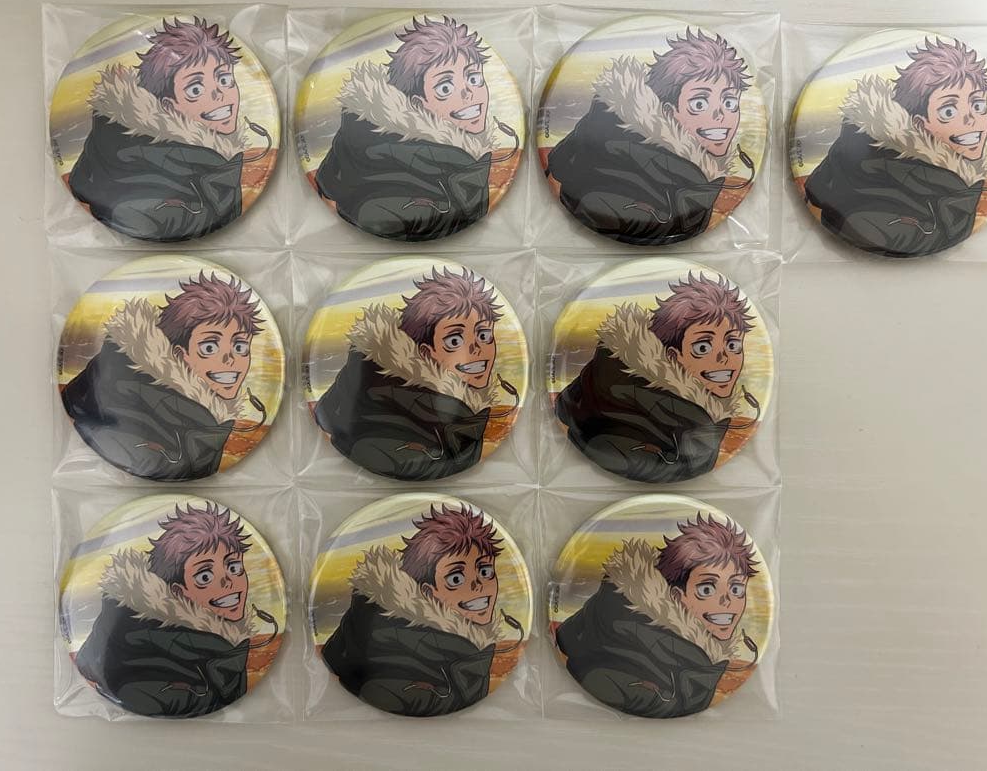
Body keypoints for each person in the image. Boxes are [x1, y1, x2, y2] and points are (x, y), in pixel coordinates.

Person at [804, 36, 987, 257]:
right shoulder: (883, 210)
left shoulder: (954, 180)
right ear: (920, 124)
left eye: (978, 105)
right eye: (948, 111)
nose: (971, 118)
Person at [316, 16, 517, 241]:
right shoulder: (399, 176)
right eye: (445, 87)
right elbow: (376, 215)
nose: (468, 92)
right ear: (418, 104)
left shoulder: (461, 155)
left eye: (474, 78)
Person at [69, 16, 270, 241]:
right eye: (195, 89)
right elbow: (137, 217)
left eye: (224, 79)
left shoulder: (206, 154)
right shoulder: (160, 174)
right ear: (168, 105)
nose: (218, 94)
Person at [546, 29, 753, 245]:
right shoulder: (614, 178)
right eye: (699, 103)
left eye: (730, 102)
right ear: (668, 111)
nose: (720, 114)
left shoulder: (695, 171)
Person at [75, 503, 277, 718]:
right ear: (178, 592)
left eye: (234, 567)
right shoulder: (147, 660)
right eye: (205, 576)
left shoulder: (223, 643)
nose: (228, 581)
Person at [314, 267, 517, 480]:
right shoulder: (387, 420)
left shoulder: (464, 407)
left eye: (484, 335)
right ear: (426, 353)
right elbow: (379, 455)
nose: (476, 348)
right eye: (454, 340)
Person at [555, 272, 759, 482]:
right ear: (673, 355)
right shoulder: (632, 418)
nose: (723, 357)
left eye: (733, 344)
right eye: (703, 347)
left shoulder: (698, 409)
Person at [321, 505, 521, 717]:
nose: (477, 584)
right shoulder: (400, 659)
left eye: (485, 570)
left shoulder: (467, 644)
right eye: (456, 578)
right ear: (428, 592)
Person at [62, 272, 265, 480]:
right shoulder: (137, 412)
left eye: (240, 347)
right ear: (180, 354)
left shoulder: (205, 413)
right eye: (210, 347)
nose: (230, 359)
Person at [556, 513, 759, 718]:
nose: (727, 600)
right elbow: (598, 680)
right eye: (706, 589)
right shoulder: (633, 653)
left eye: (736, 588)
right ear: (676, 596)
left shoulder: (701, 653)